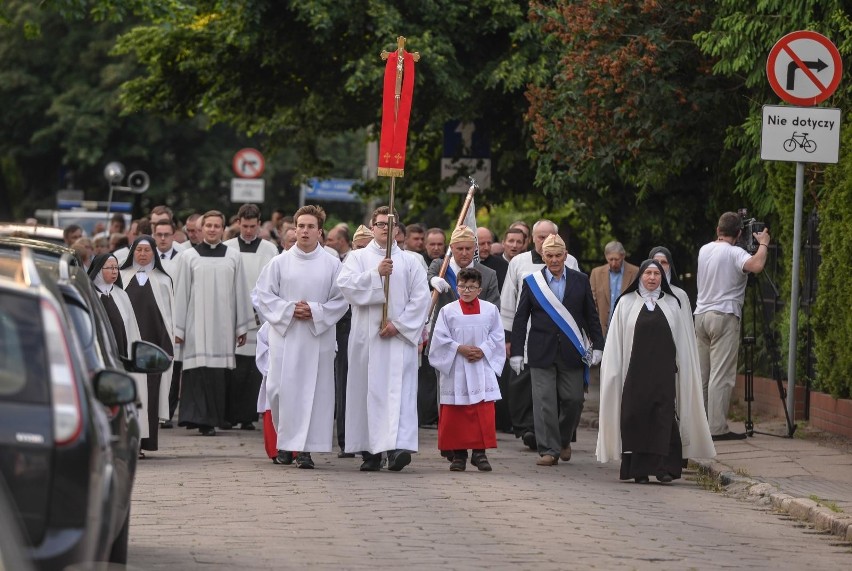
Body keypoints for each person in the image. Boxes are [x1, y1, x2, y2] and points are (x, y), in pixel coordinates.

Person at [596, 260, 715, 483]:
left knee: (663, 418)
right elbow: (616, 343)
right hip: (634, 375)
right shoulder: (626, 303)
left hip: (664, 374)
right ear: (640, 276)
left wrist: (682, 370)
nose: (652, 278)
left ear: (663, 277)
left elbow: (683, 342)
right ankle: (638, 471)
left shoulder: (672, 304)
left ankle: (663, 469)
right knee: (636, 418)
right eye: (648, 273)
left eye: (657, 274)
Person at [253, 205, 349, 469]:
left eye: (310, 227)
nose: (305, 231)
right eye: (301, 226)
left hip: (317, 337)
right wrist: (289, 309)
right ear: (295, 230)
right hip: (286, 335)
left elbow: (341, 300)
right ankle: (285, 442)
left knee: (314, 393)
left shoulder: (332, 264)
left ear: (320, 232)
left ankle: (305, 450)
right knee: (279, 390)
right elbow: (263, 295)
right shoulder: (279, 262)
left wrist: (317, 311)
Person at [337, 206, 430, 472]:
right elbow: (346, 287)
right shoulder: (357, 258)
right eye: (380, 224)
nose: (384, 229)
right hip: (367, 338)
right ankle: (370, 452)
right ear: (372, 226)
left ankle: (397, 447)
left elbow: (421, 299)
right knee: (366, 391)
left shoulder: (411, 261)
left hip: (397, 339)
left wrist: (398, 325)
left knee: (397, 392)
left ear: (398, 230)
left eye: (390, 225)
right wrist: (376, 274)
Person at [510, 234, 603, 466]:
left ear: (565, 255)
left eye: (558, 255)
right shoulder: (532, 282)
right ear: (543, 256)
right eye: (549, 256)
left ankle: (562, 439)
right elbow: (521, 319)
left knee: (573, 400)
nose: (553, 260)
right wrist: (517, 352)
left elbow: (591, 316)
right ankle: (548, 450)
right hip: (541, 350)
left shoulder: (580, 280)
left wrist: (599, 346)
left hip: (572, 351)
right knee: (544, 402)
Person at [172, 210, 253, 436]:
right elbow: (181, 293)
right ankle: (198, 419)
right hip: (195, 324)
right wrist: (178, 328)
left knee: (218, 374)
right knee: (198, 371)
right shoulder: (189, 257)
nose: (212, 230)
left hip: (223, 326)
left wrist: (242, 326)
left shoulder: (233, 256)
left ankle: (216, 418)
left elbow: (240, 292)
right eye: (208, 225)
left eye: (217, 226)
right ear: (202, 228)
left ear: (223, 229)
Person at [501, 219, 579, 450]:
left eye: (549, 236)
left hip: (562, 334)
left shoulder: (570, 261)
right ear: (532, 238)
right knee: (527, 387)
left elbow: (577, 298)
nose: (544, 241)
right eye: (540, 237)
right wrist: (508, 337)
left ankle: (559, 436)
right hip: (527, 333)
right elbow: (508, 299)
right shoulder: (519, 262)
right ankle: (529, 430)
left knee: (565, 393)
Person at [694, 212, 771, 441]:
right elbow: (756, 265)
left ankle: (700, 426)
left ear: (718, 230)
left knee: (703, 375)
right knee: (721, 375)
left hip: (700, 315)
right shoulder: (735, 252)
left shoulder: (704, 250)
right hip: (724, 315)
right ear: (739, 233)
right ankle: (716, 428)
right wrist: (763, 244)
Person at [429, 268, 505, 471]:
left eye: (471, 287)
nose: (466, 291)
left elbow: (497, 336)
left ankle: (480, 454)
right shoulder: (448, 310)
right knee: (456, 412)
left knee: (482, 410)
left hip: (481, 365)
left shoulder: (490, 309)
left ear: (479, 289)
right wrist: (458, 348)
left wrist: (483, 350)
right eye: (462, 286)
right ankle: (459, 456)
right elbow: (440, 338)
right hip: (457, 366)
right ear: (457, 286)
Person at [425, 225, 500, 427]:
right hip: (447, 346)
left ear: (474, 248)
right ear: (452, 248)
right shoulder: (440, 267)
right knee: (446, 395)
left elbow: (495, 311)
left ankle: (475, 443)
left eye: (468, 248)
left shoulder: (488, 274)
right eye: (460, 249)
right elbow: (429, 274)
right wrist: (433, 280)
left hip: (477, 348)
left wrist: (483, 348)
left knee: (476, 398)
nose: (464, 253)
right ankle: (450, 442)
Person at [224, 204, 279, 431]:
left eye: (253, 226)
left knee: (253, 368)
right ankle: (228, 415)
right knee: (233, 369)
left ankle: (248, 416)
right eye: (244, 226)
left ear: (259, 223)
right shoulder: (227, 248)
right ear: (238, 223)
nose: (248, 231)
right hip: (233, 313)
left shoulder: (270, 249)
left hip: (261, 315)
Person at [119, 236, 175, 455]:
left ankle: (145, 442)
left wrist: (167, 346)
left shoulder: (162, 280)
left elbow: (167, 317)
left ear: (153, 253)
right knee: (131, 394)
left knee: (149, 396)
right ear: (133, 252)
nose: (142, 254)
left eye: (147, 250)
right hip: (128, 347)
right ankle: (129, 442)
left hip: (152, 348)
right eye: (139, 250)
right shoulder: (122, 277)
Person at [87, 254, 147, 456]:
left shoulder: (122, 295)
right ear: (97, 270)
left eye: (116, 268)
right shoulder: (89, 296)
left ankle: (128, 441)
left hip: (122, 358)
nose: (114, 272)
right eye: (109, 268)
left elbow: (132, 329)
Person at [589, 241, 640, 339]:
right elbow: (592, 303)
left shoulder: (635, 272)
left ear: (623, 256)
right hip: (602, 329)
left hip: (626, 328)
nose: (613, 263)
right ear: (605, 256)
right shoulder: (596, 273)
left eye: (616, 259)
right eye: (610, 259)